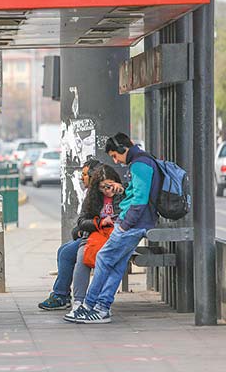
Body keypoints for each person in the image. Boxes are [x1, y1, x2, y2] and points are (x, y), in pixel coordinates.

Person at [73, 132, 160, 324]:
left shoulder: (140, 164)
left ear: (123, 149)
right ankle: (102, 307)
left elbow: (139, 201)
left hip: (133, 224)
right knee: (117, 264)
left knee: (104, 258)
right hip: (137, 223)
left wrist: (124, 225)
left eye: (115, 155)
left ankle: (89, 305)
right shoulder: (143, 162)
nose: (116, 160)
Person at [37, 158, 102, 310]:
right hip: (89, 235)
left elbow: (95, 221)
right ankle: (62, 294)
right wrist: (80, 229)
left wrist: (84, 228)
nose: (81, 177)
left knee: (68, 253)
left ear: (94, 176)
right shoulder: (91, 194)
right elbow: (82, 220)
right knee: (63, 250)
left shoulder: (101, 194)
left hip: (97, 238)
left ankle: (63, 295)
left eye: (85, 174)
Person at [63, 164, 124, 321]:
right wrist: (100, 222)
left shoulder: (123, 193)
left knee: (108, 259)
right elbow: (82, 220)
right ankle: (78, 301)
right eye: (102, 187)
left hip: (116, 236)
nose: (107, 190)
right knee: (82, 256)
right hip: (95, 234)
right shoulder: (92, 197)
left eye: (110, 186)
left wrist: (121, 193)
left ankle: (100, 304)